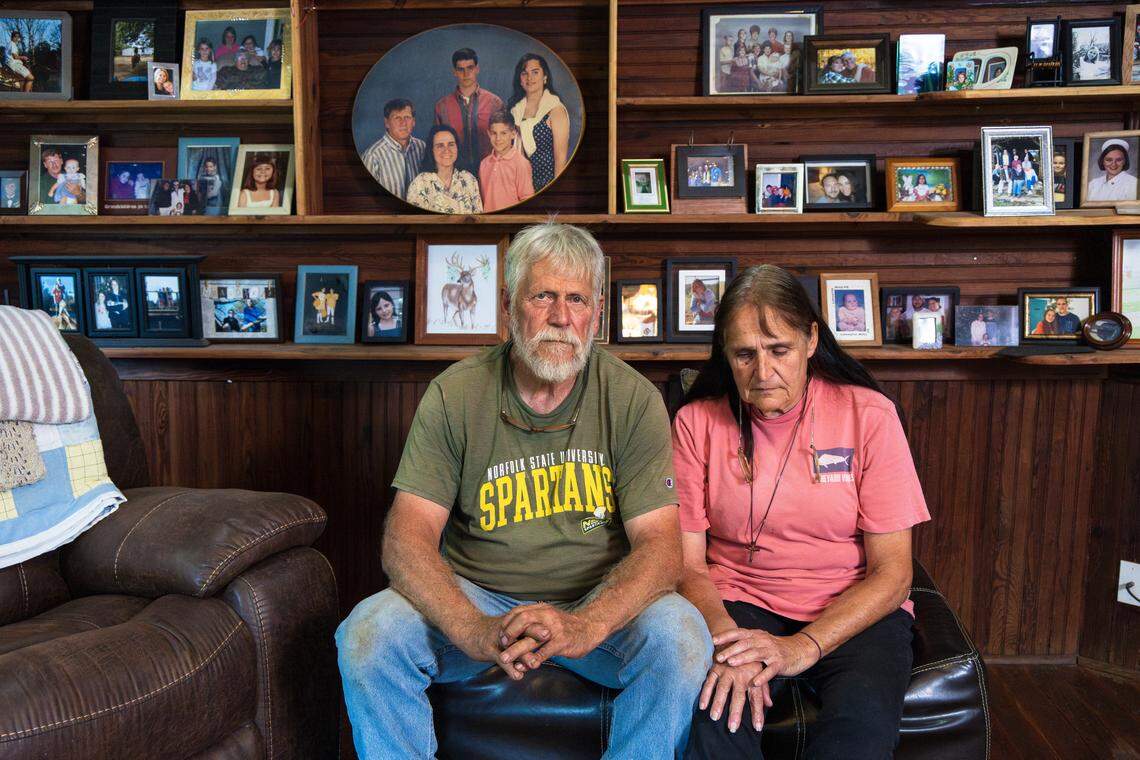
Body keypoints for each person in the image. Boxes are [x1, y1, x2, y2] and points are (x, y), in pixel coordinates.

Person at [335, 222, 712, 759]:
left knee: (681, 640)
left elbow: (661, 548)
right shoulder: (455, 394)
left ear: (597, 312)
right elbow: (406, 538)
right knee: (366, 636)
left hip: (595, 601)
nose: (561, 316)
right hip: (479, 598)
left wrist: (587, 624)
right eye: (544, 296)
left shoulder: (632, 399)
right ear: (509, 304)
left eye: (577, 299)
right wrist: (472, 628)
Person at [673, 265, 929, 758]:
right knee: (717, 727)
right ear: (725, 354)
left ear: (811, 339)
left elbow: (893, 573)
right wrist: (728, 642)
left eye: (779, 350)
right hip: (738, 603)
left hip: (853, 606)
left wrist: (801, 647)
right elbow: (687, 564)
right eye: (745, 354)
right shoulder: (694, 422)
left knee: (856, 738)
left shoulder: (869, 414)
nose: (763, 373)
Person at [434, 48, 504, 177]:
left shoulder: (495, 103)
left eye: (470, 68)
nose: (466, 74)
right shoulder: (442, 107)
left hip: (492, 173)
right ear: (454, 72)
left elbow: (505, 142)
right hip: (455, 176)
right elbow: (437, 145)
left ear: (477, 69)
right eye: (460, 69)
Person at [510, 53, 570, 191]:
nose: (529, 78)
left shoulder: (555, 110)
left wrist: (555, 191)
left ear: (545, 77)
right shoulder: (515, 111)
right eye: (524, 73)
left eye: (535, 72)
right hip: (523, 185)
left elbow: (561, 159)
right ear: (520, 79)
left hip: (549, 183)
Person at [406, 124, 483, 214]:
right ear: (432, 150)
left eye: (451, 144)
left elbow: (478, 219)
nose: (446, 150)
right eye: (440, 146)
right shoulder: (419, 184)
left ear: (457, 148)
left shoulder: (469, 179)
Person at [361, 98, 427, 201]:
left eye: (407, 117)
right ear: (387, 123)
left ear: (413, 121)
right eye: (397, 118)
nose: (403, 123)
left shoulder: (422, 147)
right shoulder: (373, 156)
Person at [479, 110, 535, 212]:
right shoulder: (484, 164)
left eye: (503, 133)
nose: (498, 138)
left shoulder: (521, 163)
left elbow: (527, 201)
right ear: (488, 133)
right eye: (494, 133)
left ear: (513, 134)